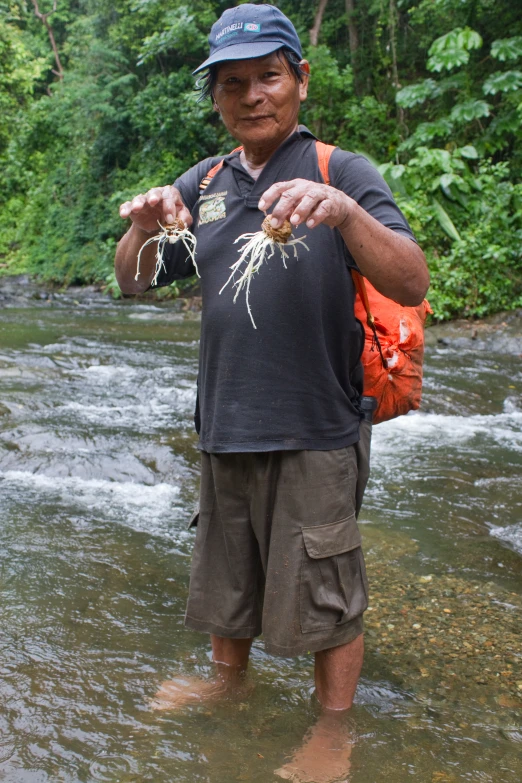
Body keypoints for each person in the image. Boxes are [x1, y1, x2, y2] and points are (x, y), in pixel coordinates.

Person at [115, 5, 429, 780]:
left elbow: (411, 278)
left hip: (317, 424)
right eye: (232, 84)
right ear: (215, 97)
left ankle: (334, 727)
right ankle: (228, 679)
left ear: (300, 79)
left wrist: (346, 213)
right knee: (228, 568)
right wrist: (143, 228)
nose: (252, 95)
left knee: (327, 581)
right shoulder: (208, 183)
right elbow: (133, 284)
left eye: (268, 77)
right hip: (225, 420)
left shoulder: (338, 170)